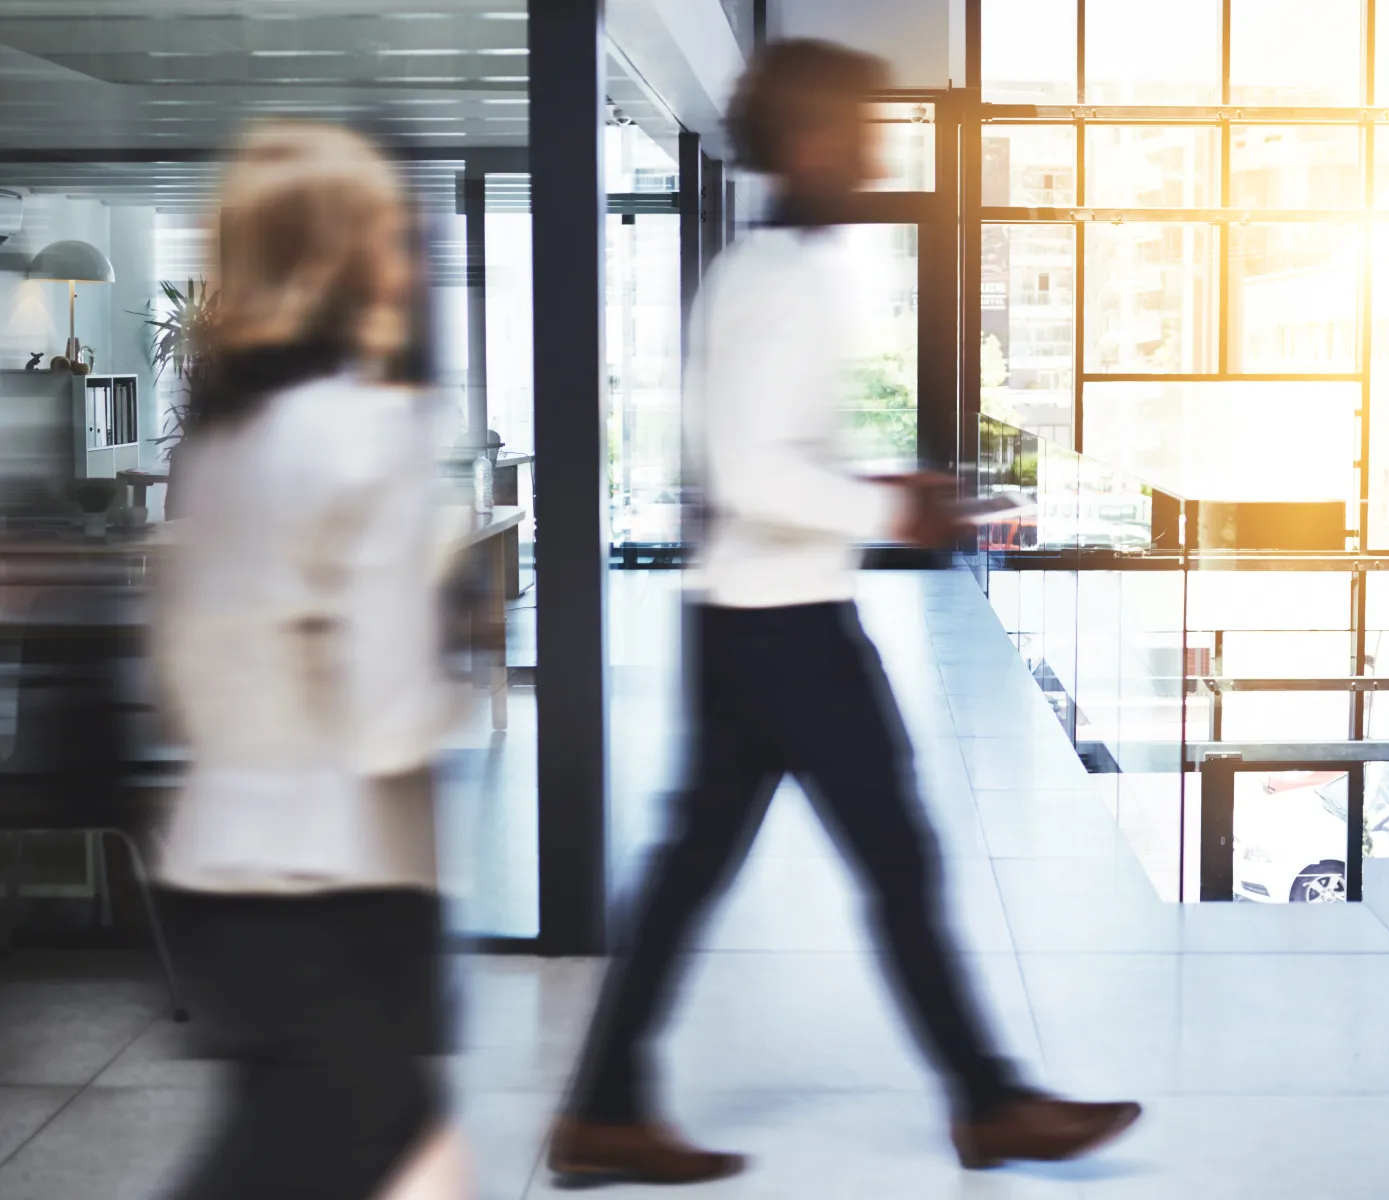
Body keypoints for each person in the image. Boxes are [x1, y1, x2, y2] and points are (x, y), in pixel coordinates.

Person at [547, 40, 1142, 1186]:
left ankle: (604, 1110)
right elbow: (749, 473)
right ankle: (987, 1103)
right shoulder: (780, 279)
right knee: (890, 856)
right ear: (816, 144)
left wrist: (884, 484)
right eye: (867, 132)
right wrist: (892, 502)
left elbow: (776, 457)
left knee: (700, 867)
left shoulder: (782, 270)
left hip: (759, 618)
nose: (879, 154)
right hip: (782, 629)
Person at [152, 122, 470, 1200]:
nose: (410, 256)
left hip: (214, 876)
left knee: (411, 1159)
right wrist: (455, 691)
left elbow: (186, 681)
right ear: (333, 258)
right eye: (388, 231)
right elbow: (387, 717)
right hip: (329, 889)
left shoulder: (218, 443)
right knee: (359, 1154)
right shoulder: (369, 433)